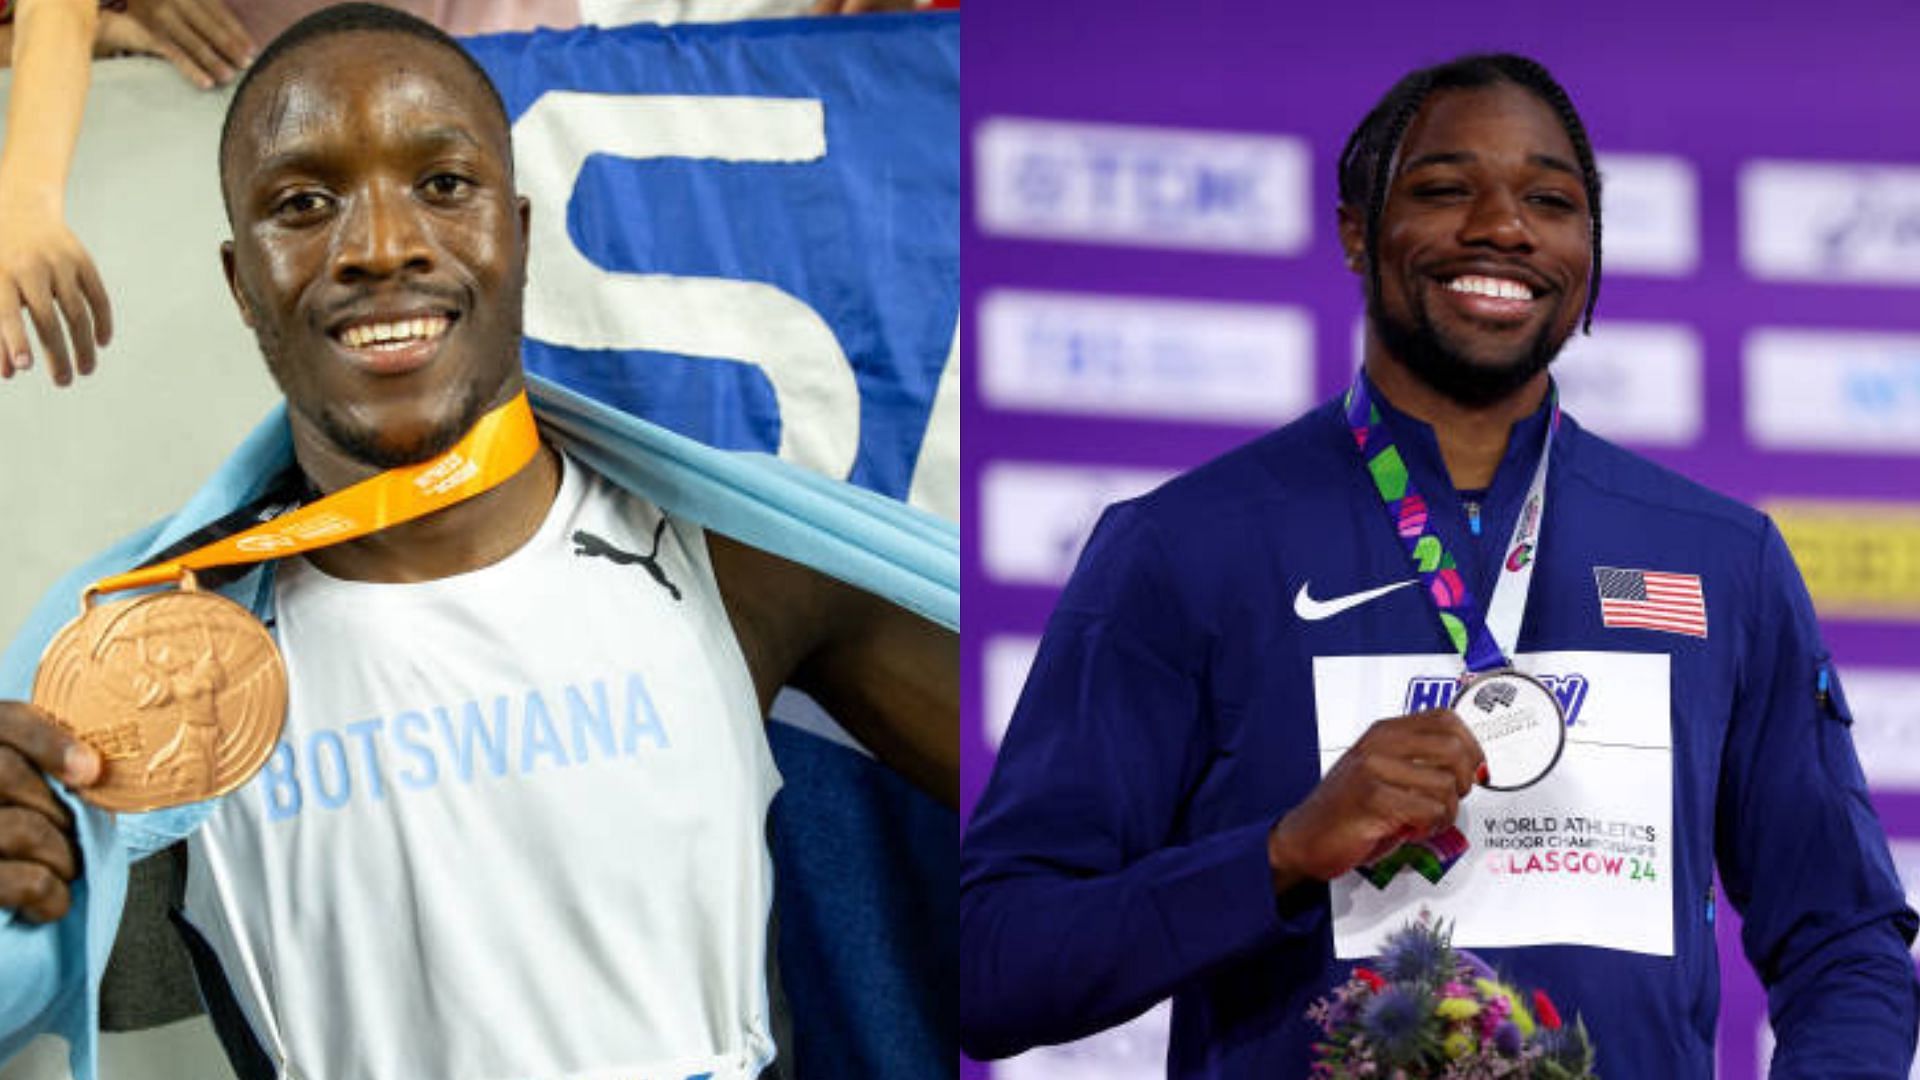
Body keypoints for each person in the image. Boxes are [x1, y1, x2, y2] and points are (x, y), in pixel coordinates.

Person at [0, 5, 956, 1079]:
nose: (380, 247)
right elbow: (16, 981)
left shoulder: (729, 565)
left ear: (521, 234)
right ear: (242, 280)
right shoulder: (149, 650)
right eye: (304, 204)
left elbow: (1094, 796)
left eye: (444, 187)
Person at [958, 52, 1919, 1078]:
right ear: (1356, 229)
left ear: (1588, 250)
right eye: (1444, 189)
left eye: (1550, 199)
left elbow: (1847, 941)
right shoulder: (1183, 547)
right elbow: (994, 963)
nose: (1502, 226)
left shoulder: (1722, 559)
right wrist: (1281, 855)